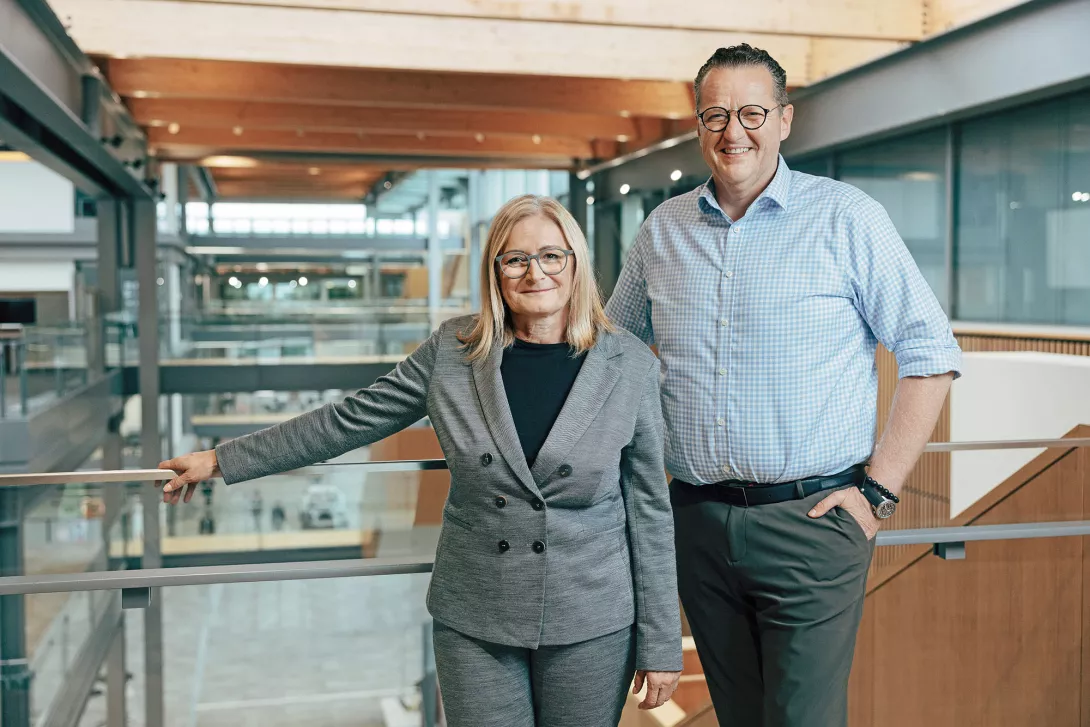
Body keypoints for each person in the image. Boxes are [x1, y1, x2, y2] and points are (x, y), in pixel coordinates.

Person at [159, 195, 683, 727]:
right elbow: (348, 421)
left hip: (591, 622)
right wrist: (223, 459)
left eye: (552, 256)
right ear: (495, 272)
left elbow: (649, 510)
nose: (535, 273)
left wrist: (661, 641)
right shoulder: (453, 352)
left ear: (576, 263)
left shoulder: (629, 363)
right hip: (476, 617)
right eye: (515, 259)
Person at [605, 44, 962, 727]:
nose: (732, 130)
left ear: (784, 120)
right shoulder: (663, 230)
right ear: (698, 123)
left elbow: (931, 351)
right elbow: (609, 351)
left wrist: (879, 491)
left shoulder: (845, 217)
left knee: (803, 718)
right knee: (738, 716)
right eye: (715, 114)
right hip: (697, 523)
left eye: (750, 112)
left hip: (813, 523)